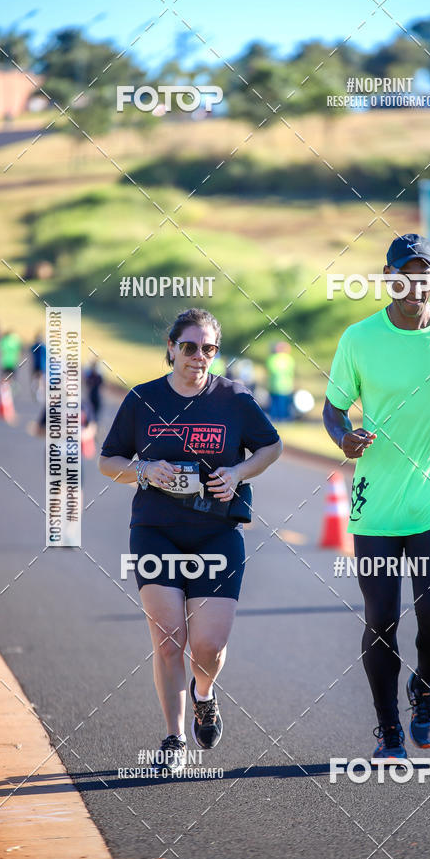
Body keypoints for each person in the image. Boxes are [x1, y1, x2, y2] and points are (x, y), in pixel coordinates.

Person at [323, 234, 430, 760]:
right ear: (388, 276)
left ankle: (424, 688)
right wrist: (342, 437)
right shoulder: (359, 338)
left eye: (425, 272)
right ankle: (388, 727)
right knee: (381, 619)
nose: (415, 282)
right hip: (375, 505)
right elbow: (333, 408)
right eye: (405, 272)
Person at [99, 308, 282, 769]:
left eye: (209, 349)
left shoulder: (235, 399)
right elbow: (108, 460)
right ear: (171, 347)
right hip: (156, 531)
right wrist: (143, 469)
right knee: (167, 640)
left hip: (217, 534)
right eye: (189, 347)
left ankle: (205, 692)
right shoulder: (142, 399)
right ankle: (174, 739)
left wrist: (238, 472)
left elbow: (271, 445)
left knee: (208, 647)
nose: (198, 357)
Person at [266, 342, 295, 421]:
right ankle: (284, 419)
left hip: (274, 386)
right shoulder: (289, 359)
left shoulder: (272, 358)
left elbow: (270, 371)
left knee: (274, 405)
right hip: (286, 386)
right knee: (284, 405)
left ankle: (275, 419)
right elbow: (291, 373)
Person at [85, 358, 104, 423]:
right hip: (92, 395)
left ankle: (93, 421)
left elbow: (100, 382)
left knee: (95, 409)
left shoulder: (97, 375)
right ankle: (91, 421)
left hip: (95, 395)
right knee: (91, 408)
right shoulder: (91, 375)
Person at [30, 334, 46, 401]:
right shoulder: (43, 347)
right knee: (40, 380)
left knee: (37, 379)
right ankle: (38, 392)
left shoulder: (35, 346)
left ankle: (36, 389)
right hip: (41, 366)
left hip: (37, 365)